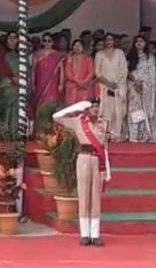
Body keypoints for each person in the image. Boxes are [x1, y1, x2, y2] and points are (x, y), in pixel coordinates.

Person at [53, 98, 109, 247]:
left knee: (95, 198)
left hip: (97, 160)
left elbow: (105, 148)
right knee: (83, 196)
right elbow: (56, 117)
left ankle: (95, 234)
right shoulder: (78, 121)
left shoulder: (104, 123)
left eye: (97, 107)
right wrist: (76, 107)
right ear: (87, 109)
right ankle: (85, 234)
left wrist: (106, 170)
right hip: (83, 158)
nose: (95, 109)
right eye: (92, 107)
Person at [94, 34, 127, 142]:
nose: (109, 41)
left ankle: (116, 135)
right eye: (107, 39)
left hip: (118, 86)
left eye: (111, 39)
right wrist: (108, 83)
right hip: (104, 86)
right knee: (105, 111)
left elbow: (123, 69)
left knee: (117, 111)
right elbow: (97, 72)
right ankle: (104, 135)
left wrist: (116, 83)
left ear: (114, 41)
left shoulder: (120, 53)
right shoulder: (99, 54)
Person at [127, 35, 156, 142]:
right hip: (133, 86)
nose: (139, 43)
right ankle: (134, 135)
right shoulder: (130, 56)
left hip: (147, 87)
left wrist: (146, 84)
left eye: (141, 41)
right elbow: (127, 71)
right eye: (137, 41)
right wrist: (135, 81)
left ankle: (144, 134)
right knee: (136, 110)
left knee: (147, 110)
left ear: (145, 43)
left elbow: (152, 74)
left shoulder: (150, 57)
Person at [32, 32, 65, 111]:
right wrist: (33, 83)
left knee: (52, 101)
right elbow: (33, 70)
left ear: (53, 42)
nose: (47, 43)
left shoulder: (58, 55)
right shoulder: (37, 54)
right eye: (45, 41)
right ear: (42, 42)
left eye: (49, 41)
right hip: (40, 82)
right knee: (41, 102)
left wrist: (61, 83)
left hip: (53, 83)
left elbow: (61, 70)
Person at [0, 31, 19, 139]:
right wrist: (12, 77)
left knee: (15, 109)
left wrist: (20, 79)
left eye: (15, 38)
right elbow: (1, 67)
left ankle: (14, 133)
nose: (12, 40)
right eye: (10, 38)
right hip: (5, 84)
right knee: (5, 109)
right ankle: (4, 134)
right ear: (6, 40)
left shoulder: (20, 54)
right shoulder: (1, 52)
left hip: (18, 85)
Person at [65, 40, 95, 105]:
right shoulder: (70, 58)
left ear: (83, 47)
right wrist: (77, 81)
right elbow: (67, 72)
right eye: (75, 45)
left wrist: (83, 82)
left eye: (79, 45)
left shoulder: (88, 58)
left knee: (83, 106)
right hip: (72, 86)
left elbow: (91, 72)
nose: (77, 47)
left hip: (84, 86)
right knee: (71, 107)